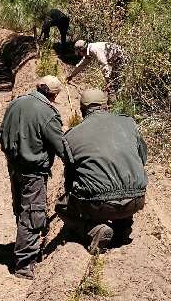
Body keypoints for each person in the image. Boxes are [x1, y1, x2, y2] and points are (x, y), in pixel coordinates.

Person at [57, 89, 147, 254]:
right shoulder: (128, 123)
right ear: (106, 106)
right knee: (121, 189)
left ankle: (94, 229)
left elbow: (70, 177)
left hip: (98, 204)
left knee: (61, 207)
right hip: (136, 199)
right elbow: (142, 158)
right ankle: (123, 226)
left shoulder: (70, 136)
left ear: (82, 110)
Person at [0, 75, 66, 279]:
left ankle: (23, 247)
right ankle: (24, 264)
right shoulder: (47, 113)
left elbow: (1, 134)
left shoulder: (15, 103)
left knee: (21, 209)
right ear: (52, 95)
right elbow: (61, 146)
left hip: (14, 167)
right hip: (34, 173)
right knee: (32, 215)